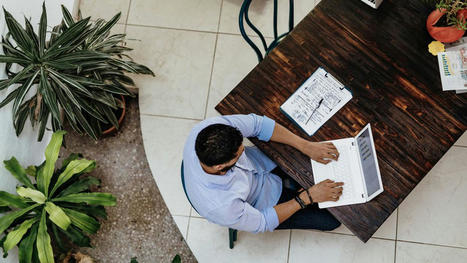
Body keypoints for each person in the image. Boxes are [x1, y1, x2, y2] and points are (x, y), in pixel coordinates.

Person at [183, 114, 344, 233]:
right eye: (239, 155)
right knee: (333, 220)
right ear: (220, 166)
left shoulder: (208, 130)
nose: (243, 150)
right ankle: (297, 190)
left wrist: (305, 146)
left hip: (265, 161)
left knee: (316, 149)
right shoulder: (223, 207)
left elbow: (259, 125)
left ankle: (295, 185)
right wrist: (306, 198)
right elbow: (264, 222)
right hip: (266, 200)